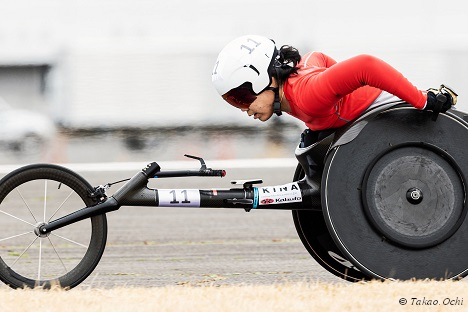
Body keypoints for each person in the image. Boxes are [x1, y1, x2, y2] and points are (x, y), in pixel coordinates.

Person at [211, 35, 457, 134]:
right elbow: (316, 58)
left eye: (242, 98)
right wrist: (338, 93)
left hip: (390, 107)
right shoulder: (301, 83)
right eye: (234, 102)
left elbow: (366, 65)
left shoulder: (308, 94)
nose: (244, 109)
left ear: (266, 79)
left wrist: (424, 100)